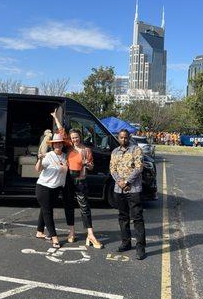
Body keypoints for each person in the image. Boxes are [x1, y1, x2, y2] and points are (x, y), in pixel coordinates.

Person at [51, 110, 103, 249]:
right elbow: (61, 131)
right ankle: (71, 232)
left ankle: (90, 234)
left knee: (85, 207)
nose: (75, 139)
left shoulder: (87, 151)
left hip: (81, 180)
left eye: (77, 137)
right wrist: (56, 118)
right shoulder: (68, 147)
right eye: (73, 138)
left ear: (80, 137)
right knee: (68, 205)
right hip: (68, 180)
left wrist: (89, 165)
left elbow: (91, 167)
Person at [109, 129, 146, 260]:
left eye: (125, 137)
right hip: (119, 190)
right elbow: (112, 168)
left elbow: (139, 167)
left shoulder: (136, 150)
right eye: (121, 137)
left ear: (129, 137)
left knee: (137, 218)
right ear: (118, 138)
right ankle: (126, 242)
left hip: (134, 189)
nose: (123, 140)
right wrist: (119, 181)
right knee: (122, 217)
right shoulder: (115, 152)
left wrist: (127, 181)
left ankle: (140, 247)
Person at [34, 133, 69, 248]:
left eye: (59, 143)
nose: (58, 145)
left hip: (56, 188)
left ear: (62, 144)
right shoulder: (48, 156)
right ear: (53, 145)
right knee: (48, 211)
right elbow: (37, 169)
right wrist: (39, 159)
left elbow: (65, 169)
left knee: (45, 209)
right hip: (43, 187)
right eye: (55, 143)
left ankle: (39, 231)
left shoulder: (65, 156)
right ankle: (54, 238)